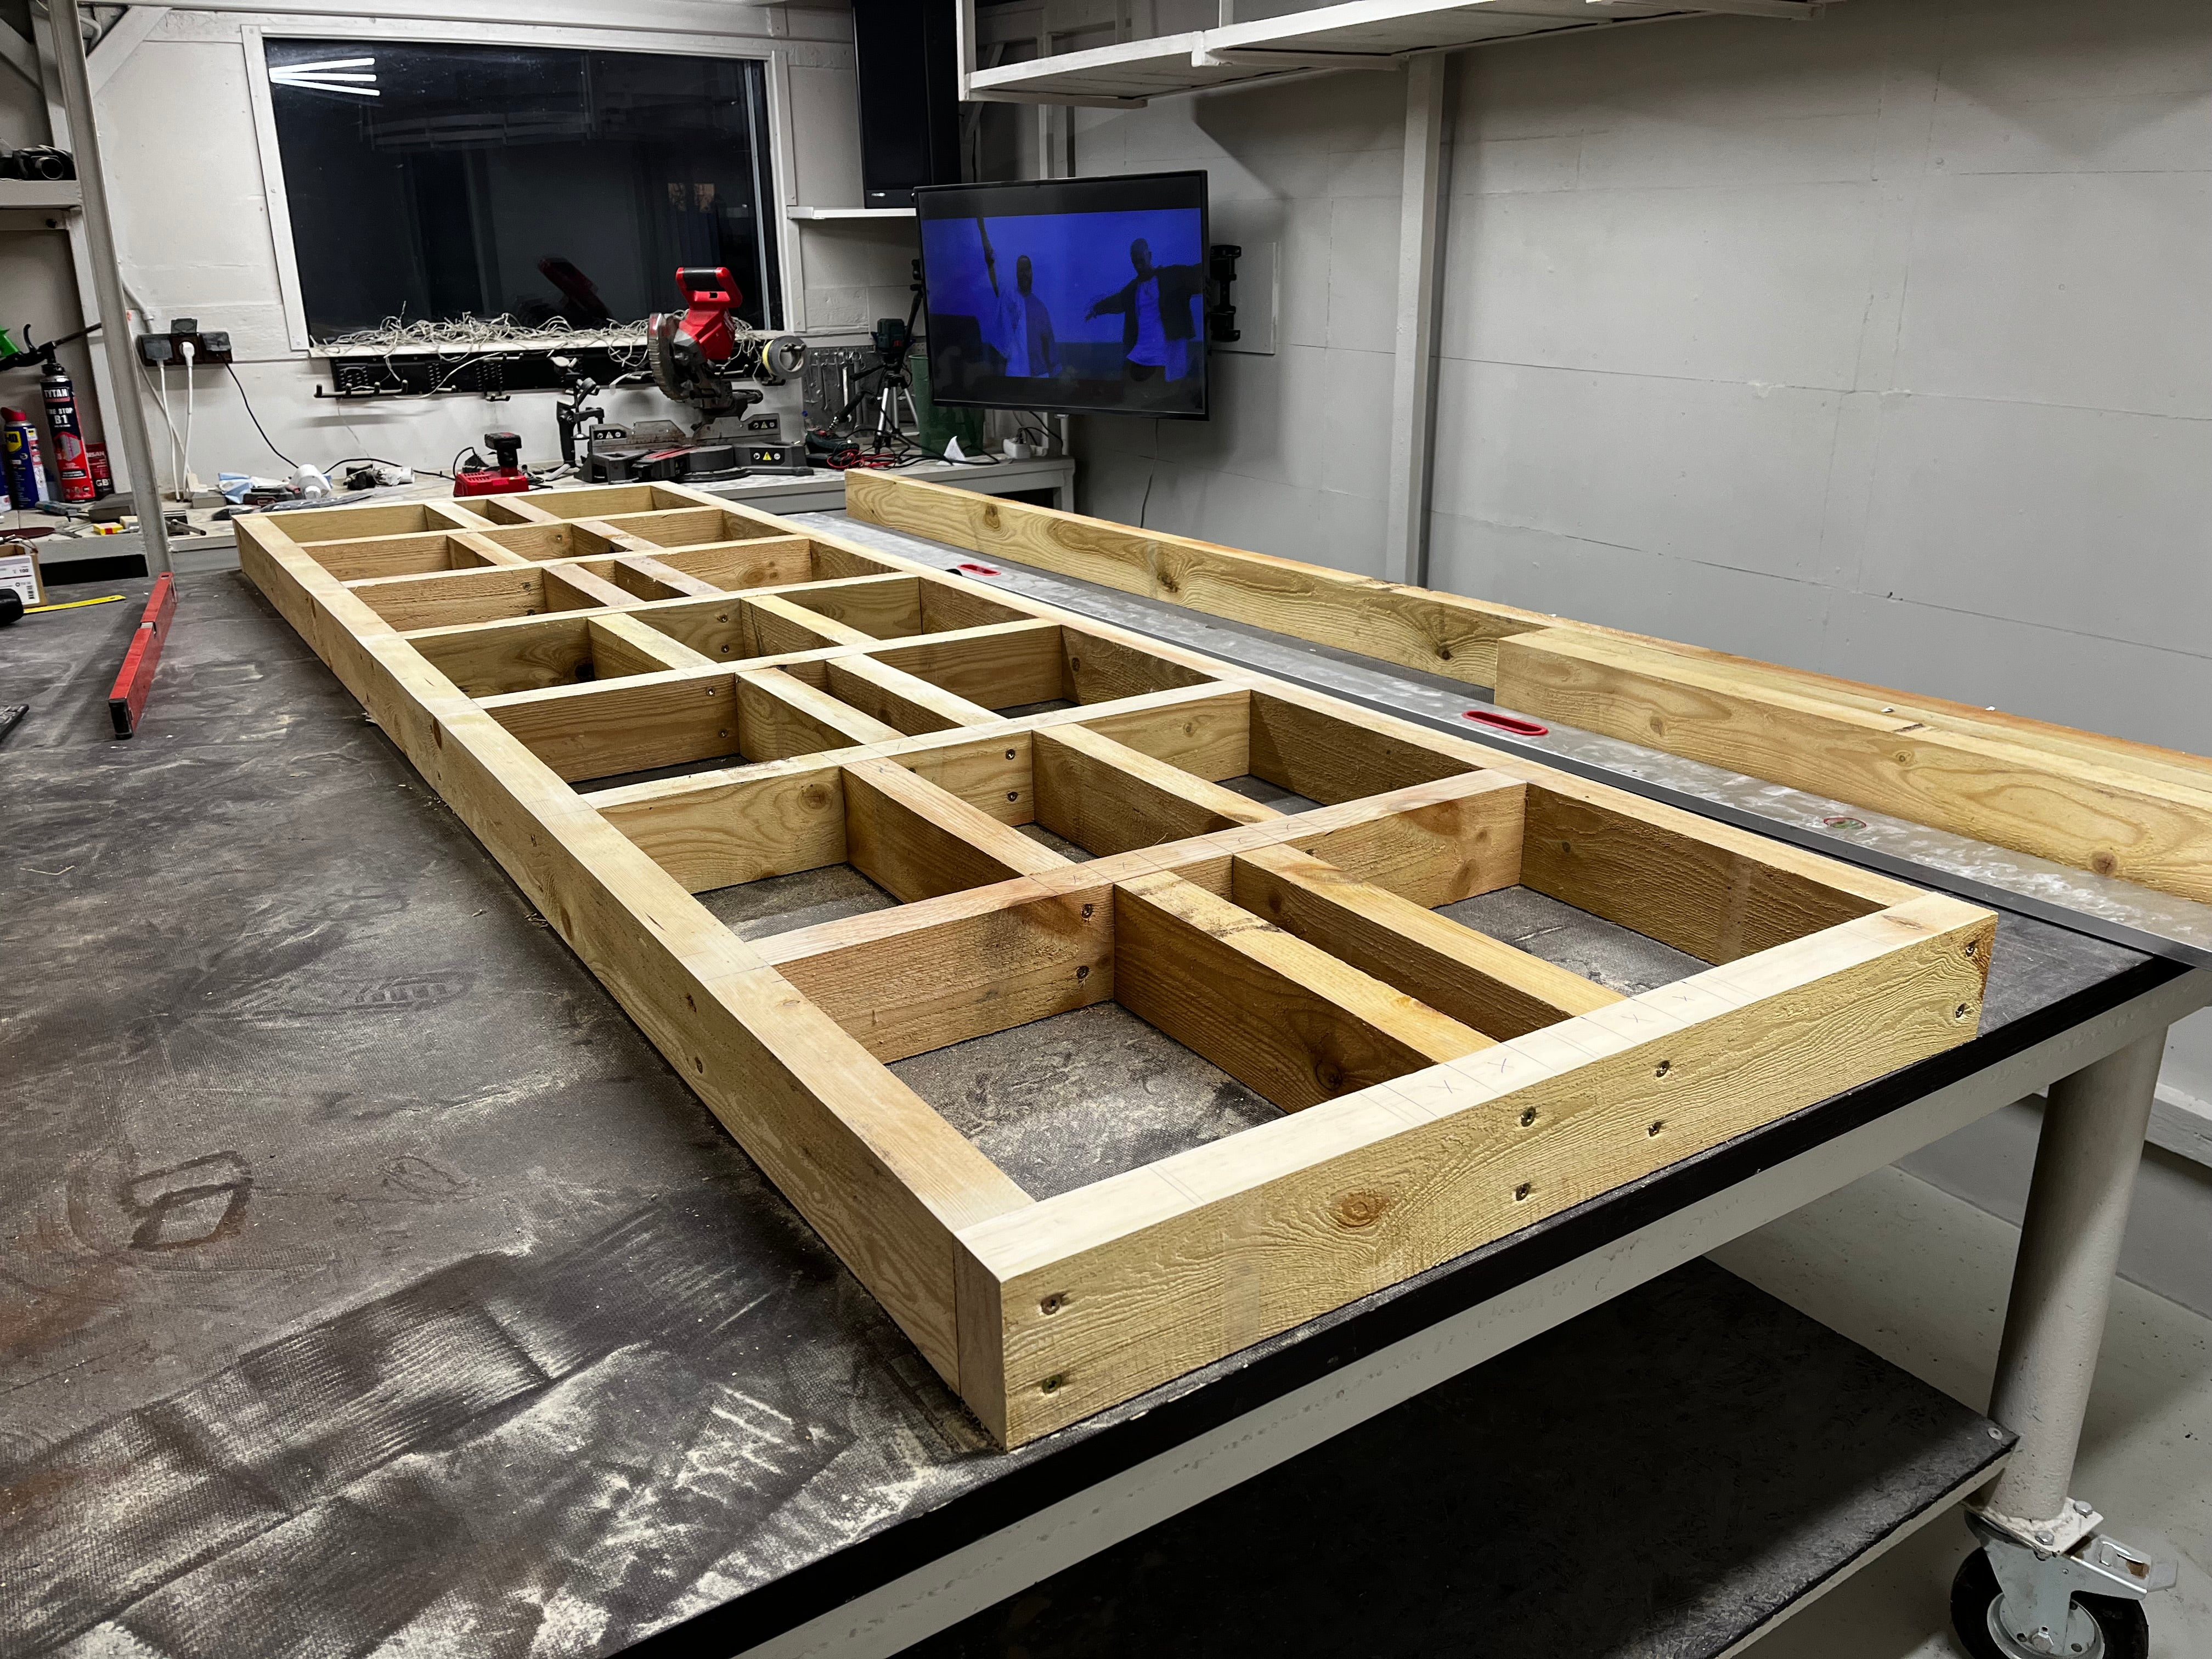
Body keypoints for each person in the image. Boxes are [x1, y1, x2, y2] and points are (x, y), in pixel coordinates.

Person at [1086, 238, 1205, 382]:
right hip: (1142, 349)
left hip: (1168, 348)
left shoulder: (1171, 277)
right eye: (1135, 262)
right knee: (1132, 384)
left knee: (1171, 386)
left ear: (1150, 256)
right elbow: (1117, 302)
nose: (1139, 266)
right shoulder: (1133, 289)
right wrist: (1095, 310)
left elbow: (1197, 274)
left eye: (1141, 260)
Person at [979, 221, 1058, 378]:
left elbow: (1051, 351)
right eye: (1020, 270)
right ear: (1016, 273)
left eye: (1027, 269)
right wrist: (981, 227)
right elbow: (991, 260)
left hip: (1039, 380)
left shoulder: (1040, 309)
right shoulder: (1008, 298)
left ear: (1032, 272)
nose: (1024, 274)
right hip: (1014, 377)